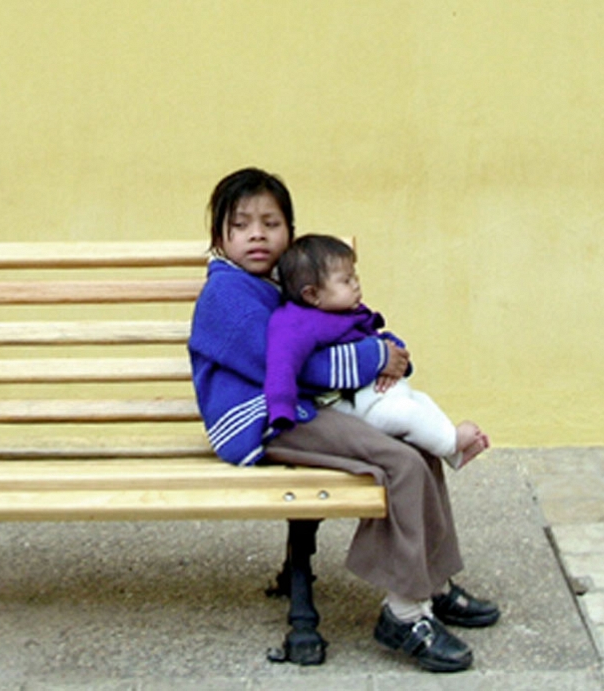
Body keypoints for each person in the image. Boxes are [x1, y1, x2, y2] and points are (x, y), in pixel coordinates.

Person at [187, 167, 499, 673]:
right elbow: (289, 366)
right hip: (264, 420)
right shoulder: (228, 295)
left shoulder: (284, 287)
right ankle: (403, 612)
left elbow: (347, 329)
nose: (258, 234)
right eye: (241, 225)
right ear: (220, 238)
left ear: (290, 231)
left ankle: (431, 582)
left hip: (307, 408)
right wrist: (376, 359)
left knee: (419, 450)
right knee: (398, 462)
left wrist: (391, 352)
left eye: (271, 222)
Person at [265, 234, 490, 470]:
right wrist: (281, 410)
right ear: (312, 294)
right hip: (346, 407)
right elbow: (281, 365)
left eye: (355, 277)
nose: (356, 284)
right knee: (406, 414)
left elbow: (377, 336)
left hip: (371, 394)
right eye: (346, 280)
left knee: (420, 400)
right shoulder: (293, 322)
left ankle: (453, 455)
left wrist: (397, 356)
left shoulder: (348, 313)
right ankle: (450, 444)